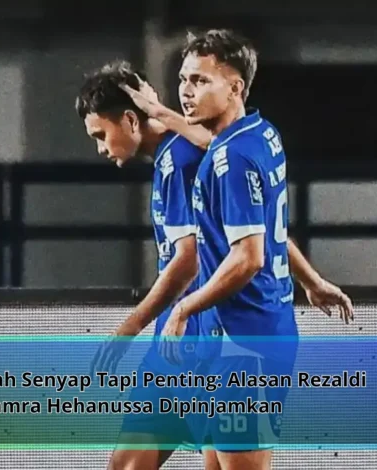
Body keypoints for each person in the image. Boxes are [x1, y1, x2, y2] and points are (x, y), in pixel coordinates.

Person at [154, 30, 353, 470]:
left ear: (235, 87)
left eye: (201, 80)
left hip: (246, 342)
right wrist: (312, 281)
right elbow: (268, 233)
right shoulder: (261, 134)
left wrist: (184, 308)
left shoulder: (232, 160)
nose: (186, 91)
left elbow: (249, 257)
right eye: (184, 79)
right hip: (240, 336)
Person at [77, 60, 220, 470]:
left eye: (101, 135)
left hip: (203, 341)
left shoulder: (179, 161)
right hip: (170, 345)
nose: (101, 148)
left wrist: (130, 326)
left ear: (129, 119)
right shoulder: (169, 159)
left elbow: (189, 259)